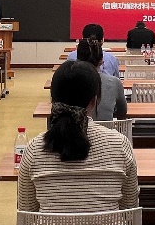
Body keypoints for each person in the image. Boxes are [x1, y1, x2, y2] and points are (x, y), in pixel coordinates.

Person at [17, 61, 138, 213]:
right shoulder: (119, 145)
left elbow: (27, 214)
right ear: (95, 100)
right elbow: (129, 208)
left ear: (53, 99)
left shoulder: (34, 150)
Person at [76, 38, 126, 121]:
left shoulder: (68, 82)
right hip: (107, 128)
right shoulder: (115, 83)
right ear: (101, 62)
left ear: (77, 60)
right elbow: (122, 113)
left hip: (77, 128)